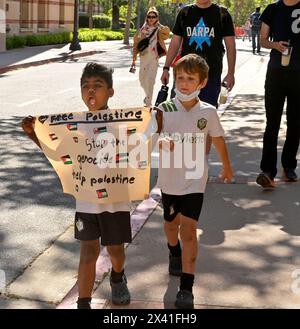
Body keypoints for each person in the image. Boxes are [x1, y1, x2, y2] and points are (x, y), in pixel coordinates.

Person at [21, 63, 132, 309]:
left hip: (115, 201)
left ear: (111, 92)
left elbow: (139, 153)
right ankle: (84, 303)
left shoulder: (123, 123)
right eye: (86, 87)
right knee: (88, 252)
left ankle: (117, 275)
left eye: (98, 86)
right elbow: (61, 157)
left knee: (115, 251)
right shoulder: (75, 126)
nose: (91, 92)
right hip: (87, 201)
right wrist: (33, 135)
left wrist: (155, 124)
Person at [155, 54, 233, 308]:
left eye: (190, 79)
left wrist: (227, 166)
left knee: (188, 230)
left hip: (195, 180)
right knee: (170, 226)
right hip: (169, 180)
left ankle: (186, 288)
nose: (184, 83)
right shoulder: (164, 110)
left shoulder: (208, 112)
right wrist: (160, 141)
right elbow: (149, 137)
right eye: (180, 78)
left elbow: (218, 139)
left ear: (202, 82)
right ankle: (172, 250)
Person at [256, 0, 300, 188]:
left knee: (295, 123)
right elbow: (262, 40)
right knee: (272, 122)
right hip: (276, 73)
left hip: (298, 74)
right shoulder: (273, 9)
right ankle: (268, 170)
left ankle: (289, 166)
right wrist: (275, 45)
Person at [161, 0, 236, 108]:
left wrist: (230, 73)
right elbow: (175, 43)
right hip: (184, 74)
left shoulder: (222, 14)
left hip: (211, 76)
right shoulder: (184, 13)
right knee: (179, 114)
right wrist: (166, 68)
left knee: (205, 117)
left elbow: (231, 46)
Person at [131, 7, 170, 107]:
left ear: (157, 18)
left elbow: (167, 34)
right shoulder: (142, 30)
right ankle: (147, 95)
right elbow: (136, 45)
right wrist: (134, 60)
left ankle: (148, 103)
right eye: (149, 16)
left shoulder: (159, 30)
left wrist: (159, 25)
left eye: (154, 16)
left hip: (154, 58)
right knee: (142, 79)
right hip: (144, 57)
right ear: (147, 17)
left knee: (150, 80)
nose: (151, 18)